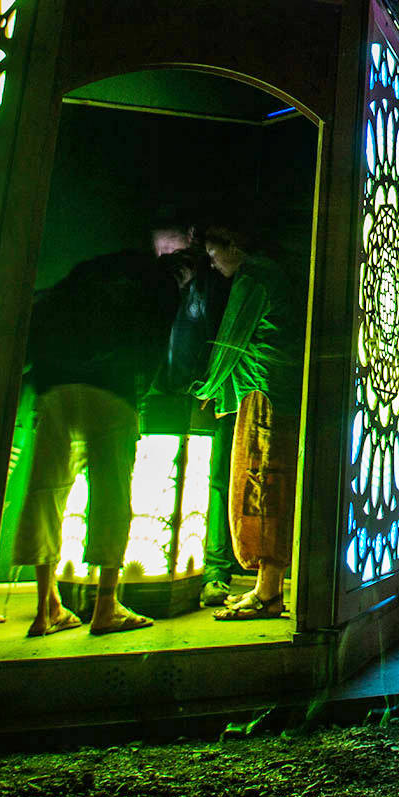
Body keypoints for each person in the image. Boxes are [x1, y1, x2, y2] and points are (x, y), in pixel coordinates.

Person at [13, 251, 175, 636]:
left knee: (47, 492)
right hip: (112, 391)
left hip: (56, 389)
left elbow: (33, 336)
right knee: (111, 495)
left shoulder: (67, 289)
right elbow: (153, 347)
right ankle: (106, 606)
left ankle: (46, 606)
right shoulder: (142, 290)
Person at [193, 224, 303, 621]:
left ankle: (268, 593)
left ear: (234, 243)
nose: (212, 262)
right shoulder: (272, 274)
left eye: (212, 252)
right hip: (275, 392)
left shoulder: (254, 276)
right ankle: (265, 588)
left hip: (262, 395)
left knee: (262, 487)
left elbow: (231, 339)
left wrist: (207, 387)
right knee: (267, 486)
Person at [148, 221, 235, 608]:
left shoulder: (213, 283)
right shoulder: (161, 289)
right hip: (167, 389)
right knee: (166, 477)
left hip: (206, 392)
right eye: (163, 254)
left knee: (215, 480)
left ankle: (215, 570)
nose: (169, 261)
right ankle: (154, 563)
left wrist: (211, 381)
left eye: (176, 251)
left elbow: (216, 330)